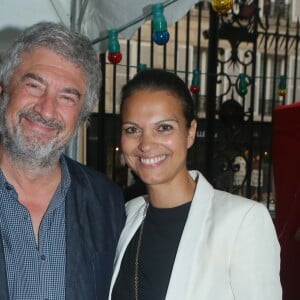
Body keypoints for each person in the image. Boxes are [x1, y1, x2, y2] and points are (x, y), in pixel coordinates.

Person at [109, 68, 282, 300]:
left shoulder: (243, 222)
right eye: (132, 129)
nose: (146, 144)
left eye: (164, 128)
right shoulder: (126, 215)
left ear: (190, 132)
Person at [0, 22, 125, 300]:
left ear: (82, 116)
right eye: (34, 85)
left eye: (67, 97)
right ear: (3, 91)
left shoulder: (107, 204)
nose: (46, 109)